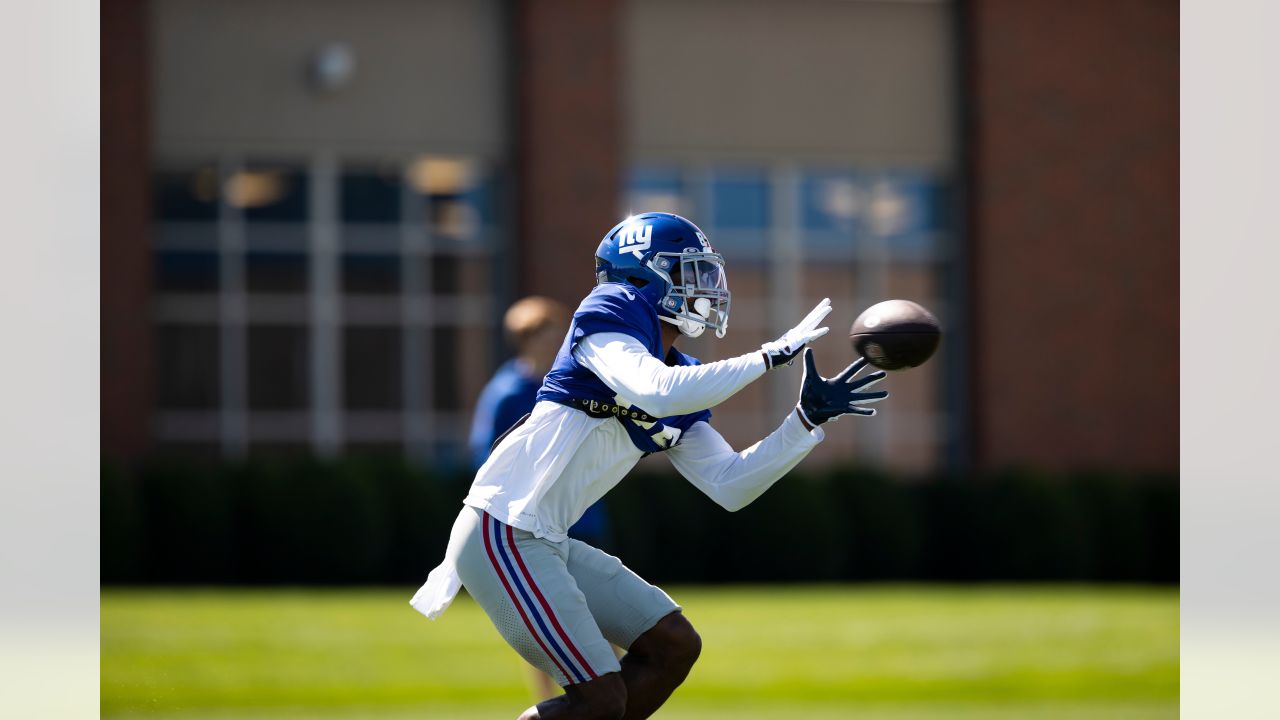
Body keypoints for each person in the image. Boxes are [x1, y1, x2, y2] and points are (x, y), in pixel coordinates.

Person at [411, 212, 889, 720]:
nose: (706, 286)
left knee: (673, 647)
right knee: (600, 698)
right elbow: (651, 392)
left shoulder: (681, 374)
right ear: (643, 274)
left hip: (545, 539)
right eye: (688, 271)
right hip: (501, 531)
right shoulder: (609, 310)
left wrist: (804, 421)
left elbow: (730, 485)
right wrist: (770, 356)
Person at [469, 296, 617, 700]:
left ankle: (618, 697)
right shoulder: (506, 393)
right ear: (526, 340)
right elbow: (486, 456)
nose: (558, 342)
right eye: (548, 335)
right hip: (531, 523)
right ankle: (551, 701)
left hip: (580, 517)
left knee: (605, 613)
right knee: (544, 617)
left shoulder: (575, 382)